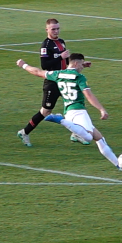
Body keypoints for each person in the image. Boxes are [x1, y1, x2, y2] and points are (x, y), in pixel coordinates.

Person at [16, 53, 122, 170]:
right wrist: (101, 109)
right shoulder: (80, 77)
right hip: (79, 112)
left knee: (99, 138)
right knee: (88, 137)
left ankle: (118, 165)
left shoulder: (58, 74)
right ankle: (60, 120)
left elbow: (37, 72)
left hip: (69, 112)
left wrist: (23, 65)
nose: (82, 67)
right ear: (75, 63)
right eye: (81, 64)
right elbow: (88, 95)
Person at [17, 18, 90, 147]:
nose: (56, 31)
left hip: (65, 79)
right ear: (47, 30)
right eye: (53, 29)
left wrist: (81, 64)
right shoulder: (46, 45)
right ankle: (24, 132)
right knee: (45, 111)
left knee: (74, 106)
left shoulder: (61, 42)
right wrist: (58, 56)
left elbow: (67, 63)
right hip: (53, 81)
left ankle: (76, 133)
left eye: (58, 28)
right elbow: (44, 64)